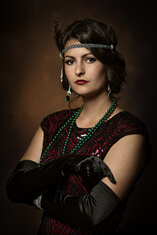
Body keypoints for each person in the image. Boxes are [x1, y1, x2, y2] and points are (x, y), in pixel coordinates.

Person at [6, 19, 151, 235]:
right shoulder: (52, 124)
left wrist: (37, 199)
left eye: (90, 59)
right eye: (70, 61)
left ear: (108, 64)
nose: (79, 70)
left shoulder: (128, 132)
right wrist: (66, 163)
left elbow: (93, 211)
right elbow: (15, 189)